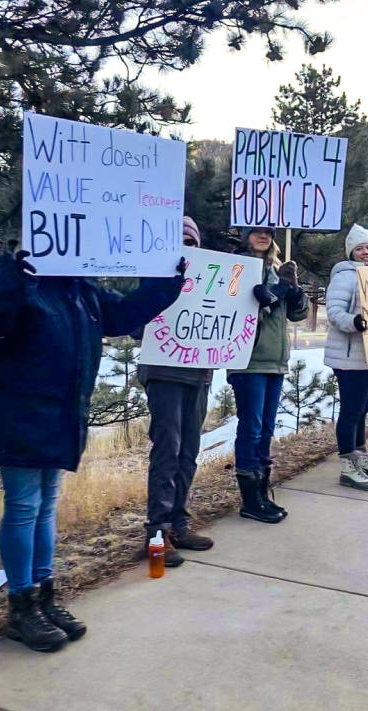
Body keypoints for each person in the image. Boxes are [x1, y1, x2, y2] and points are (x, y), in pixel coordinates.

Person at [0, 247, 184, 652]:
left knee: (45, 506)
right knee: (24, 506)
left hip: (59, 417)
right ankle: (21, 607)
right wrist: (13, 278)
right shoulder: (21, 275)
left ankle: (43, 596)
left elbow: (125, 315)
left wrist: (165, 281)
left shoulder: (81, 287)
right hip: (20, 415)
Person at [136, 216, 214, 569]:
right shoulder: (154, 277)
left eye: (192, 240)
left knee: (189, 453)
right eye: (180, 239)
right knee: (167, 451)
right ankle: (156, 535)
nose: (187, 245)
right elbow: (135, 326)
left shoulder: (212, 282)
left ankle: (179, 524)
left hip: (199, 375)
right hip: (165, 373)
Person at [227, 226, 309, 522]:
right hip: (248, 359)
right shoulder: (235, 267)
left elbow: (297, 313)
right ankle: (250, 499)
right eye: (257, 231)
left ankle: (261, 492)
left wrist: (294, 290)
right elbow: (233, 305)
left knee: (265, 429)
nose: (264, 236)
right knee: (251, 427)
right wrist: (272, 294)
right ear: (246, 235)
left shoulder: (277, 268)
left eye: (268, 232)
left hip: (275, 360)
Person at [324, 224, 368, 491]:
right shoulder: (345, 276)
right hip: (350, 355)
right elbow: (334, 312)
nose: (366, 252)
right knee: (351, 411)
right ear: (350, 253)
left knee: (363, 410)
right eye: (360, 248)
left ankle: (360, 455)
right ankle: (347, 465)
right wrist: (356, 321)